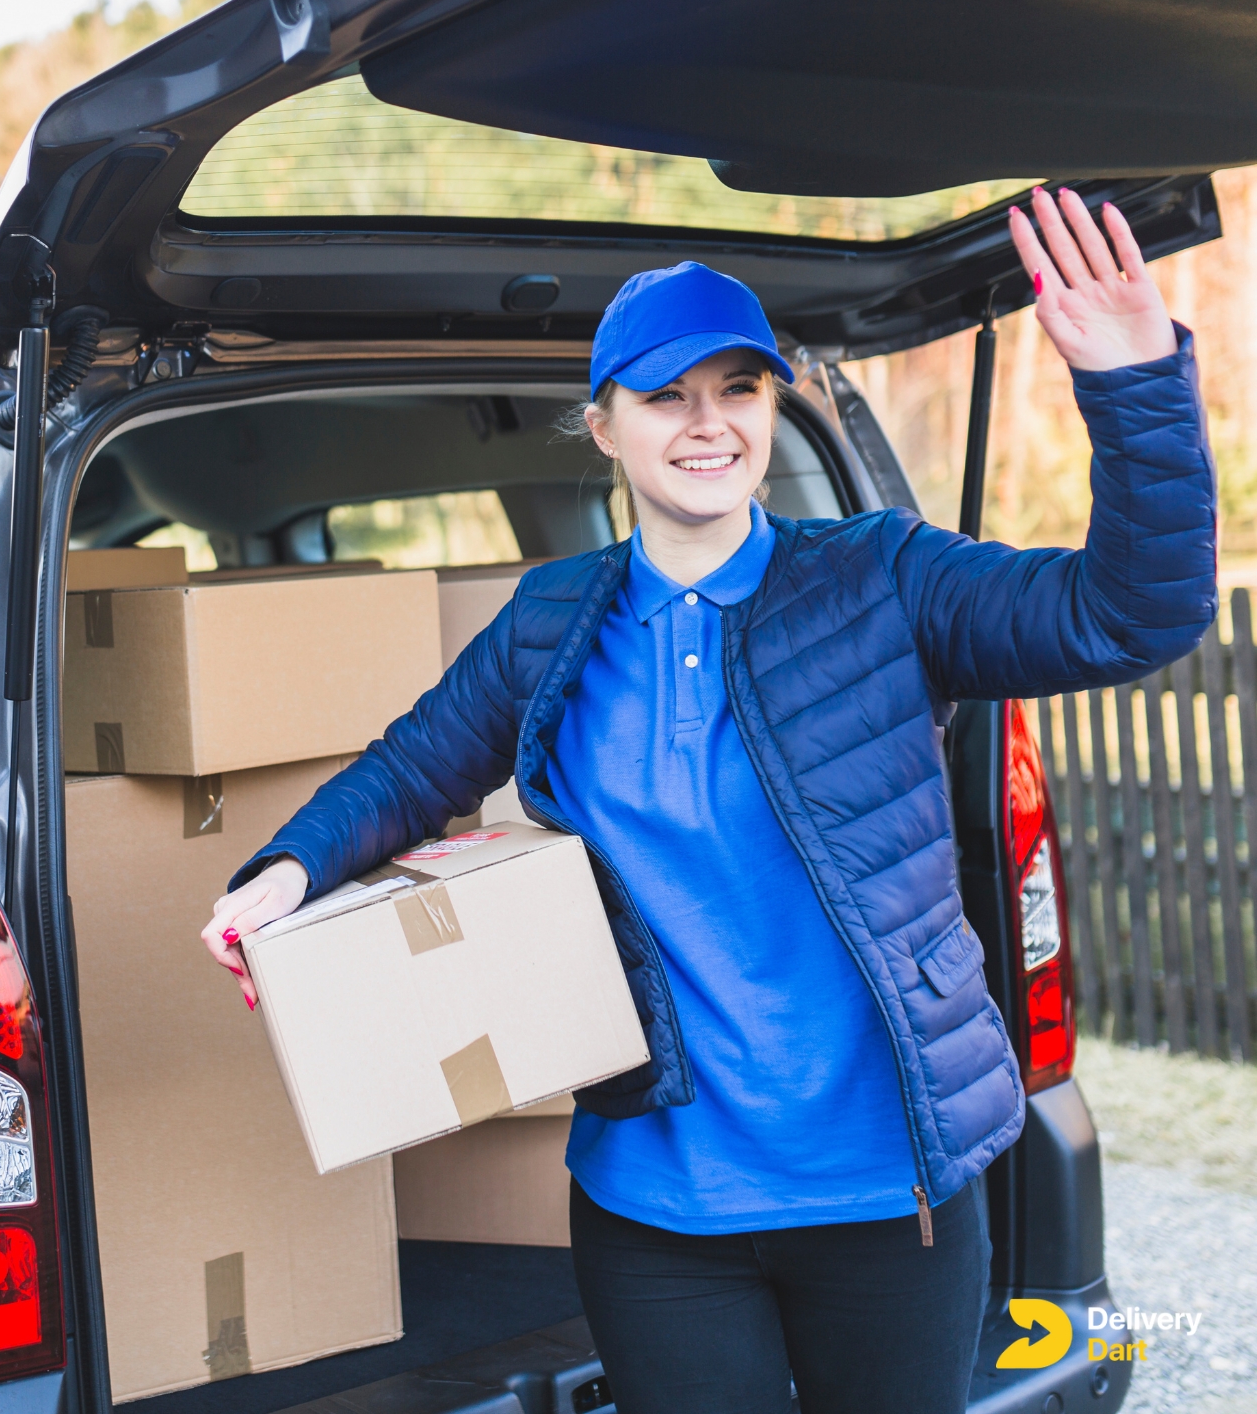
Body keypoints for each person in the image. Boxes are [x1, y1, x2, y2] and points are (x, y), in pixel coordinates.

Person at [198, 187, 1217, 1413]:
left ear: (771, 403)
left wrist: (1135, 385)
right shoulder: (550, 619)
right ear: (602, 424)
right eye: (664, 395)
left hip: (887, 1196)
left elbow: (1129, 614)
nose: (706, 423)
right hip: (656, 1206)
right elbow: (414, 765)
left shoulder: (879, 577)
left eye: (737, 389)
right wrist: (283, 873)